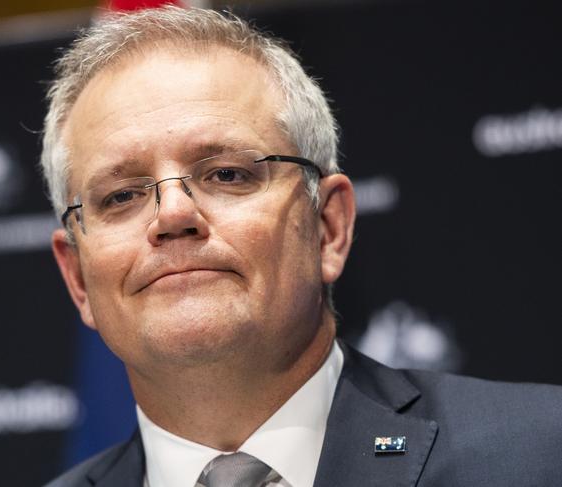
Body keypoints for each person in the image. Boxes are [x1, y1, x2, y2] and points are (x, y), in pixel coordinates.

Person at [41, 6, 562, 487]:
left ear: (329, 227)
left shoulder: (539, 452)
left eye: (227, 174)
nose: (173, 214)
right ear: (78, 278)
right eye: (122, 195)